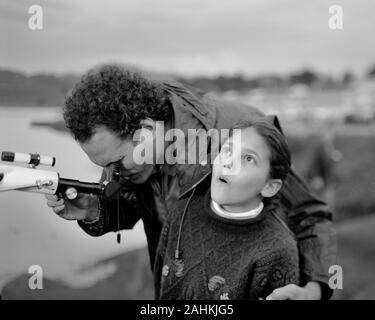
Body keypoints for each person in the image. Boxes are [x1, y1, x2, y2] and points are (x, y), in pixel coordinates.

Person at [45, 64, 336, 300]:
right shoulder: (132, 143)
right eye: (105, 166)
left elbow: (309, 214)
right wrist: (93, 210)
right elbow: (128, 204)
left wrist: (315, 289)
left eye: (116, 163)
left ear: (146, 130)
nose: (113, 174)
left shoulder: (241, 133)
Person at [154, 118, 299, 299]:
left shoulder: (278, 250)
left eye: (248, 158)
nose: (229, 163)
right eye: (227, 150)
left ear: (270, 187)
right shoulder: (180, 213)